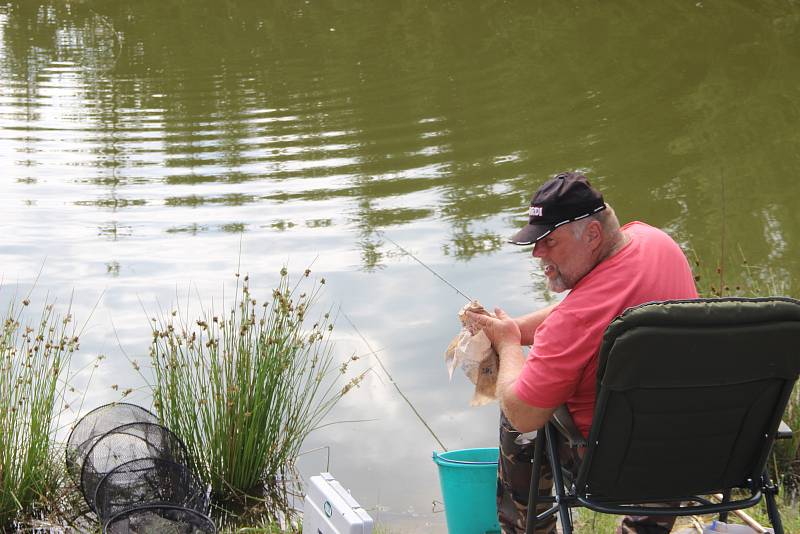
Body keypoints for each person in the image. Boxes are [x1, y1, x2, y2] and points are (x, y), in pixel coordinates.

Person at [467, 172, 699, 534]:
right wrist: (513, 329)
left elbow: (525, 413)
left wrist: (510, 345)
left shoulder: (574, 321)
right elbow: (593, 308)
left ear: (592, 235)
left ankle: (525, 529)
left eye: (549, 241)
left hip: (614, 465)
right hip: (705, 448)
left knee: (516, 413)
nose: (537, 253)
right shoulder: (657, 243)